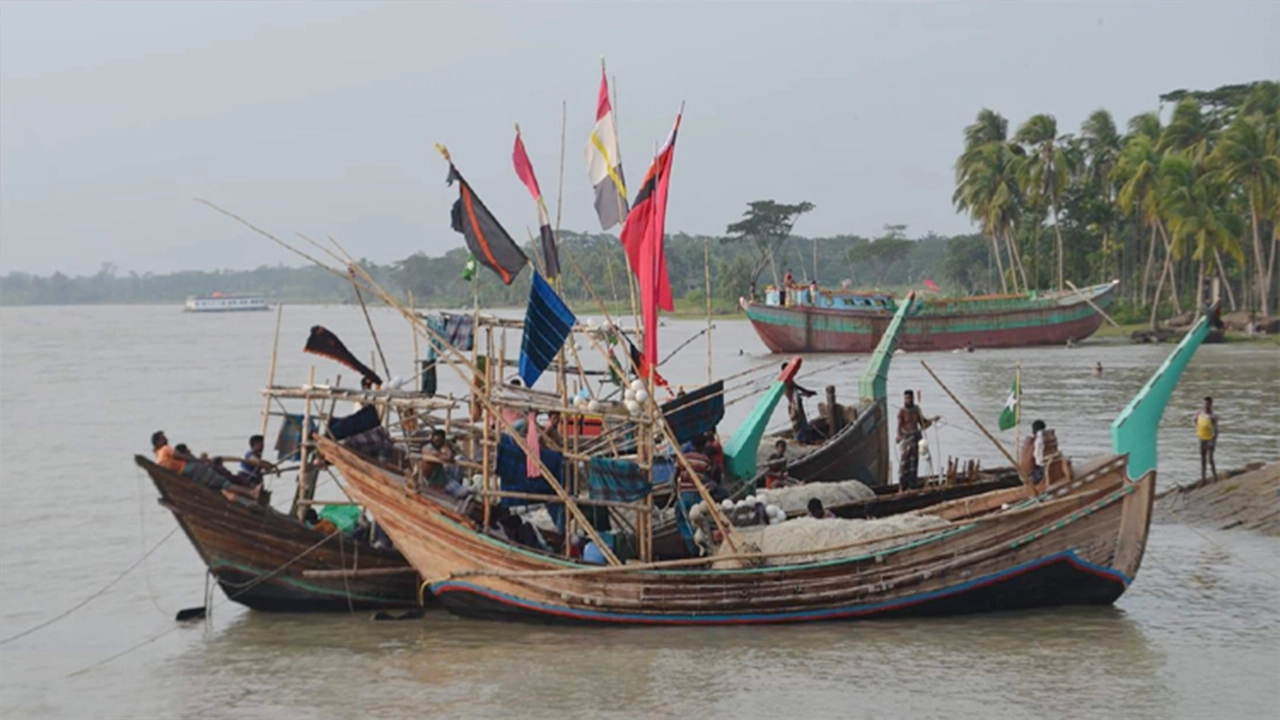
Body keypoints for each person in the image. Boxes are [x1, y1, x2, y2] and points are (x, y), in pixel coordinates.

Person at [896, 390, 937, 490]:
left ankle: (912, 487)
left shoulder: (916, 410)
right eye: (906, 398)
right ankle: (902, 487)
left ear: (913, 398)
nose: (907, 400)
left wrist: (933, 420)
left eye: (909, 398)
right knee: (903, 465)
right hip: (906, 441)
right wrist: (899, 437)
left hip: (915, 440)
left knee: (913, 465)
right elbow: (899, 427)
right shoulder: (902, 411)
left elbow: (923, 424)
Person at [1194, 396, 1219, 483]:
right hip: (1202, 438)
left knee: (1210, 458)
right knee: (1203, 459)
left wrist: (1214, 439)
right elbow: (1195, 421)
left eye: (1208, 403)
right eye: (1205, 403)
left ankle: (1215, 477)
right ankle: (1203, 479)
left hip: (1210, 438)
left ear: (1211, 404)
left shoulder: (1213, 416)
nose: (1206, 405)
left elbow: (1216, 428)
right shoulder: (1199, 413)